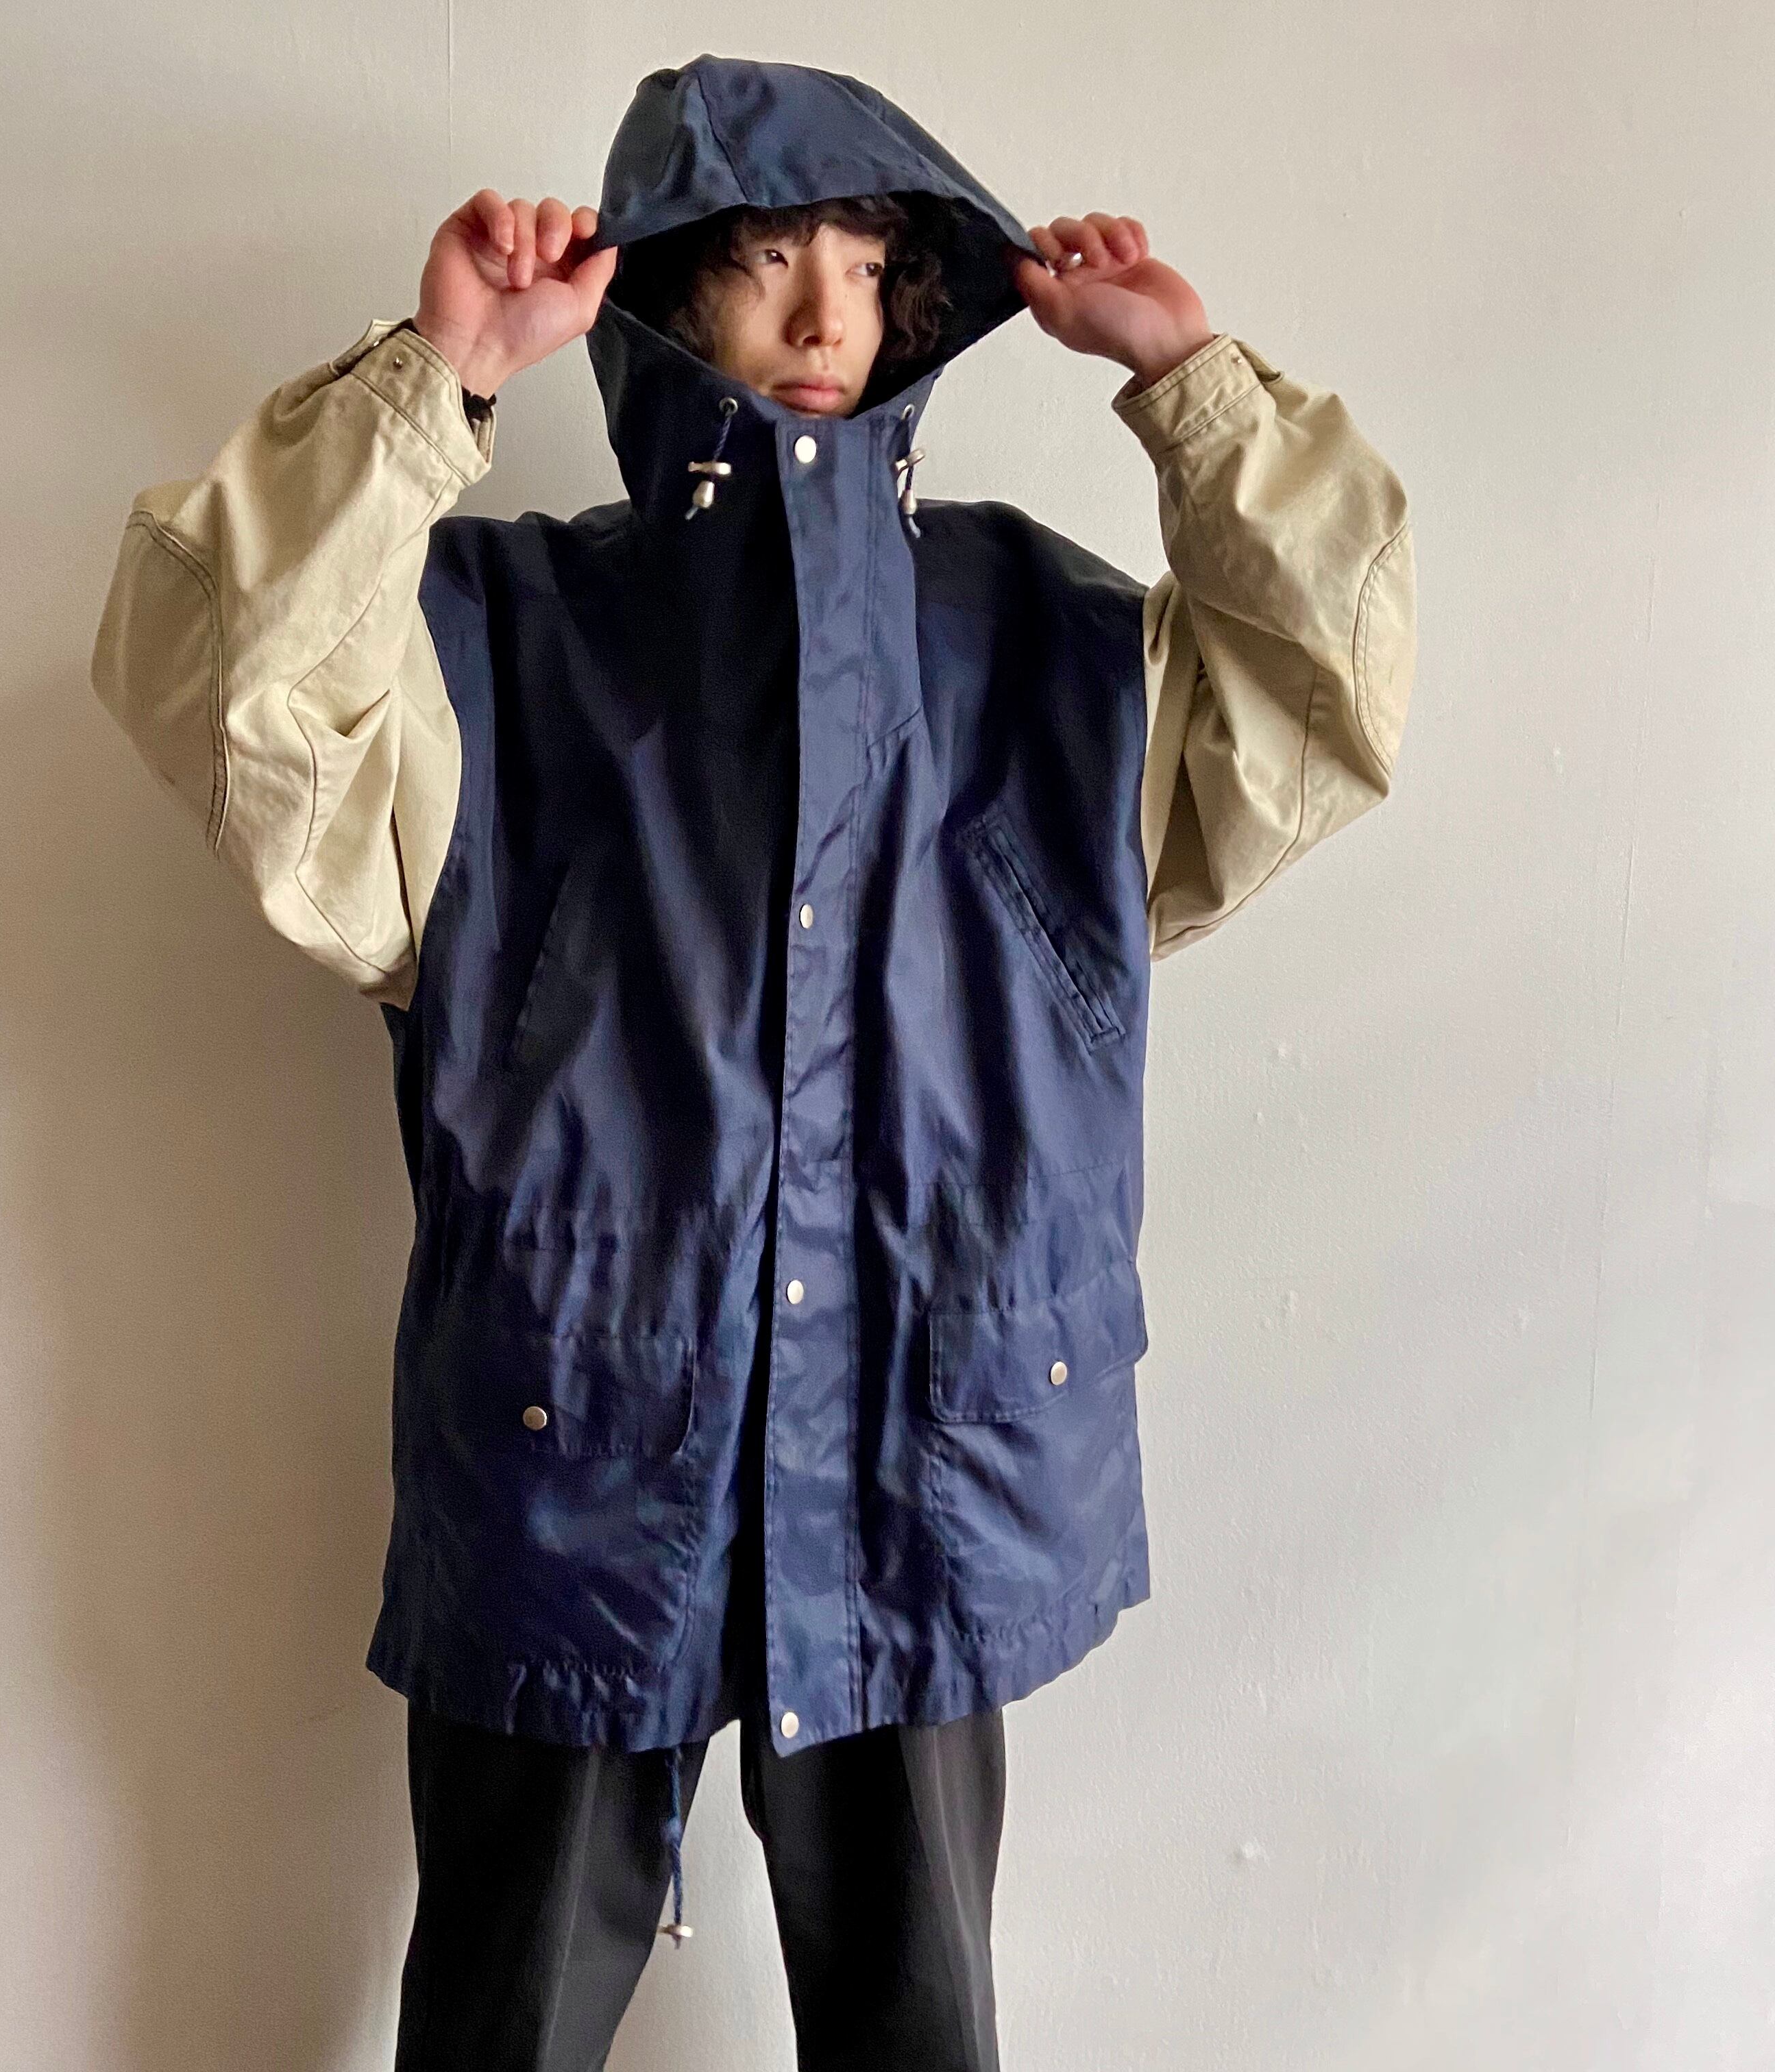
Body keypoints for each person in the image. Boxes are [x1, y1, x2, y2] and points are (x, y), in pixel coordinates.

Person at [90, 53, 1415, 2072]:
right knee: (502, 2027)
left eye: (866, 266)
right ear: (663, 297)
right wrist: (434, 384)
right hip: (575, 1459)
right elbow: (224, 687)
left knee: (921, 2027)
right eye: (765, 260)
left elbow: (1328, 688)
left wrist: (1194, 388)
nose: (820, 313)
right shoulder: (500, 639)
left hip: (921, 1453)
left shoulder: (1036, 643)